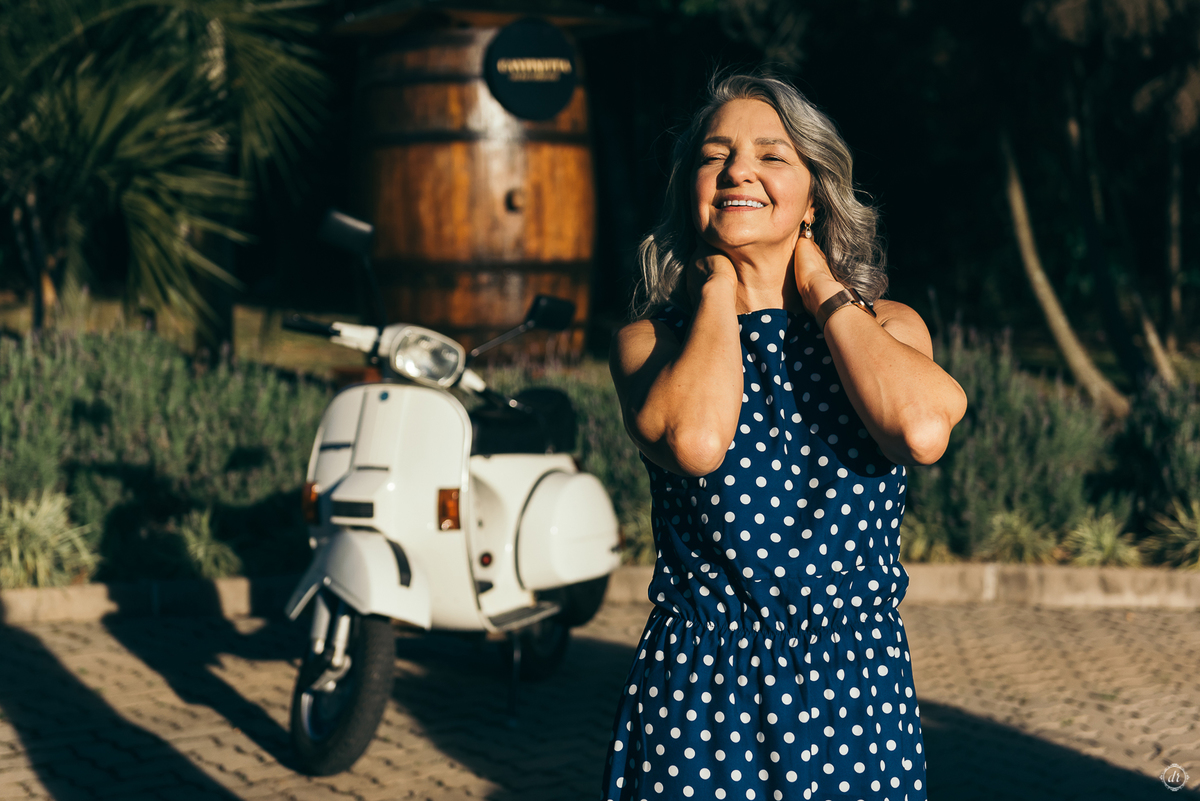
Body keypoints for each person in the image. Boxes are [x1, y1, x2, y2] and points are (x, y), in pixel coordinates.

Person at [601, 72, 968, 801]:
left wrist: (822, 288)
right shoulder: (652, 343)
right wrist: (716, 289)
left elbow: (923, 431)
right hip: (701, 697)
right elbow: (696, 441)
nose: (738, 170)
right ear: (690, 189)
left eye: (771, 155)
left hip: (854, 692)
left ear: (815, 195)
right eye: (715, 155)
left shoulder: (886, 327)